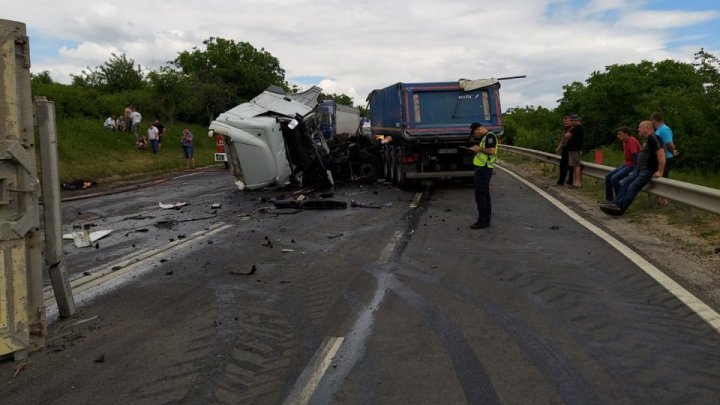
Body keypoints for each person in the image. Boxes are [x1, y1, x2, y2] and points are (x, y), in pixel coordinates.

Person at [600, 121, 665, 216]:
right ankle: (616, 205)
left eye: (640, 127)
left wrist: (660, 171)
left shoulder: (653, 138)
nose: (638, 129)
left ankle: (621, 209)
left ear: (647, 128)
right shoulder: (646, 140)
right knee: (624, 184)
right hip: (639, 169)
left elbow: (661, 154)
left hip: (647, 169)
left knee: (632, 187)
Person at [468, 122, 497, 229]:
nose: (475, 135)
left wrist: (478, 149)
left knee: (481, 195)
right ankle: (485, 220)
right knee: (484, 194)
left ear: (479, 129)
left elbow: (491, 151)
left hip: (484, 169)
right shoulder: (486, 137)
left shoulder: (490, 136)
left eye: (475, 132)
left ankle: (483, 221)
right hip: (482, 168)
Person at [603, 126, 641, 204]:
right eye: (618, 134)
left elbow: (635, 155)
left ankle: (620, 199)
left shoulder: (631, 140)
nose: (618, 136)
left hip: (632, 165)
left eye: (620, 134)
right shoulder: (624, 141)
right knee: (608, 177)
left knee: (614, 178)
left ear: (626, 134)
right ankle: (609, 199)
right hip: (627, 163)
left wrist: (636, 169)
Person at [651, 112, 678, 205]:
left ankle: (663, 198)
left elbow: (669, 143)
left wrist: (673, 152)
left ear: (654, 120)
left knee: (664, 177)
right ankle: (660, 197)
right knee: (661, 177)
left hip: (666, 157)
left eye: (652, 121)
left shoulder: (664, 129)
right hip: (661, 157)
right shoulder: (659, 130)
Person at [565, 114, 584, 188]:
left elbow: (567, 135)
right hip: (574, 149)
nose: (570, 122)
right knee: (575, 165)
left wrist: (569, 133)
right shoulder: (576, 128)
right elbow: (568, 137)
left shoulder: (577, 127)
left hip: (575, 149)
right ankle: (576, 182)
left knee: (576, 165)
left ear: (575, 121)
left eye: (571, 121)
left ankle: (577, 182)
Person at [555, 115, 574, 186]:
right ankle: (562, 181)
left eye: (567, 121)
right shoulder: (565, 129)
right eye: (565, 122)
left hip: (570, 148)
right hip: (564, 148)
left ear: (570, 122)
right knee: (563, 165)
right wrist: (558, 147)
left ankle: (568, 181)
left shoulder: (572, 129)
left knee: (568, 166)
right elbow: (563, 140)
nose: (566, 123)